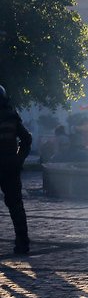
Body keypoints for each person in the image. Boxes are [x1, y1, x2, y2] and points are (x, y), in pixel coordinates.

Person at [0, 85, 33, 255]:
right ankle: (23, 242)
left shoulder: (12, 117)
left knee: (16, 205)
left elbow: (26, 139)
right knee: (16, 206)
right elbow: (27, 139)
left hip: (8, 165)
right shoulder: (11, 117)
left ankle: (23, 242)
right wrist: (19, 159)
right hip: (10, 166)